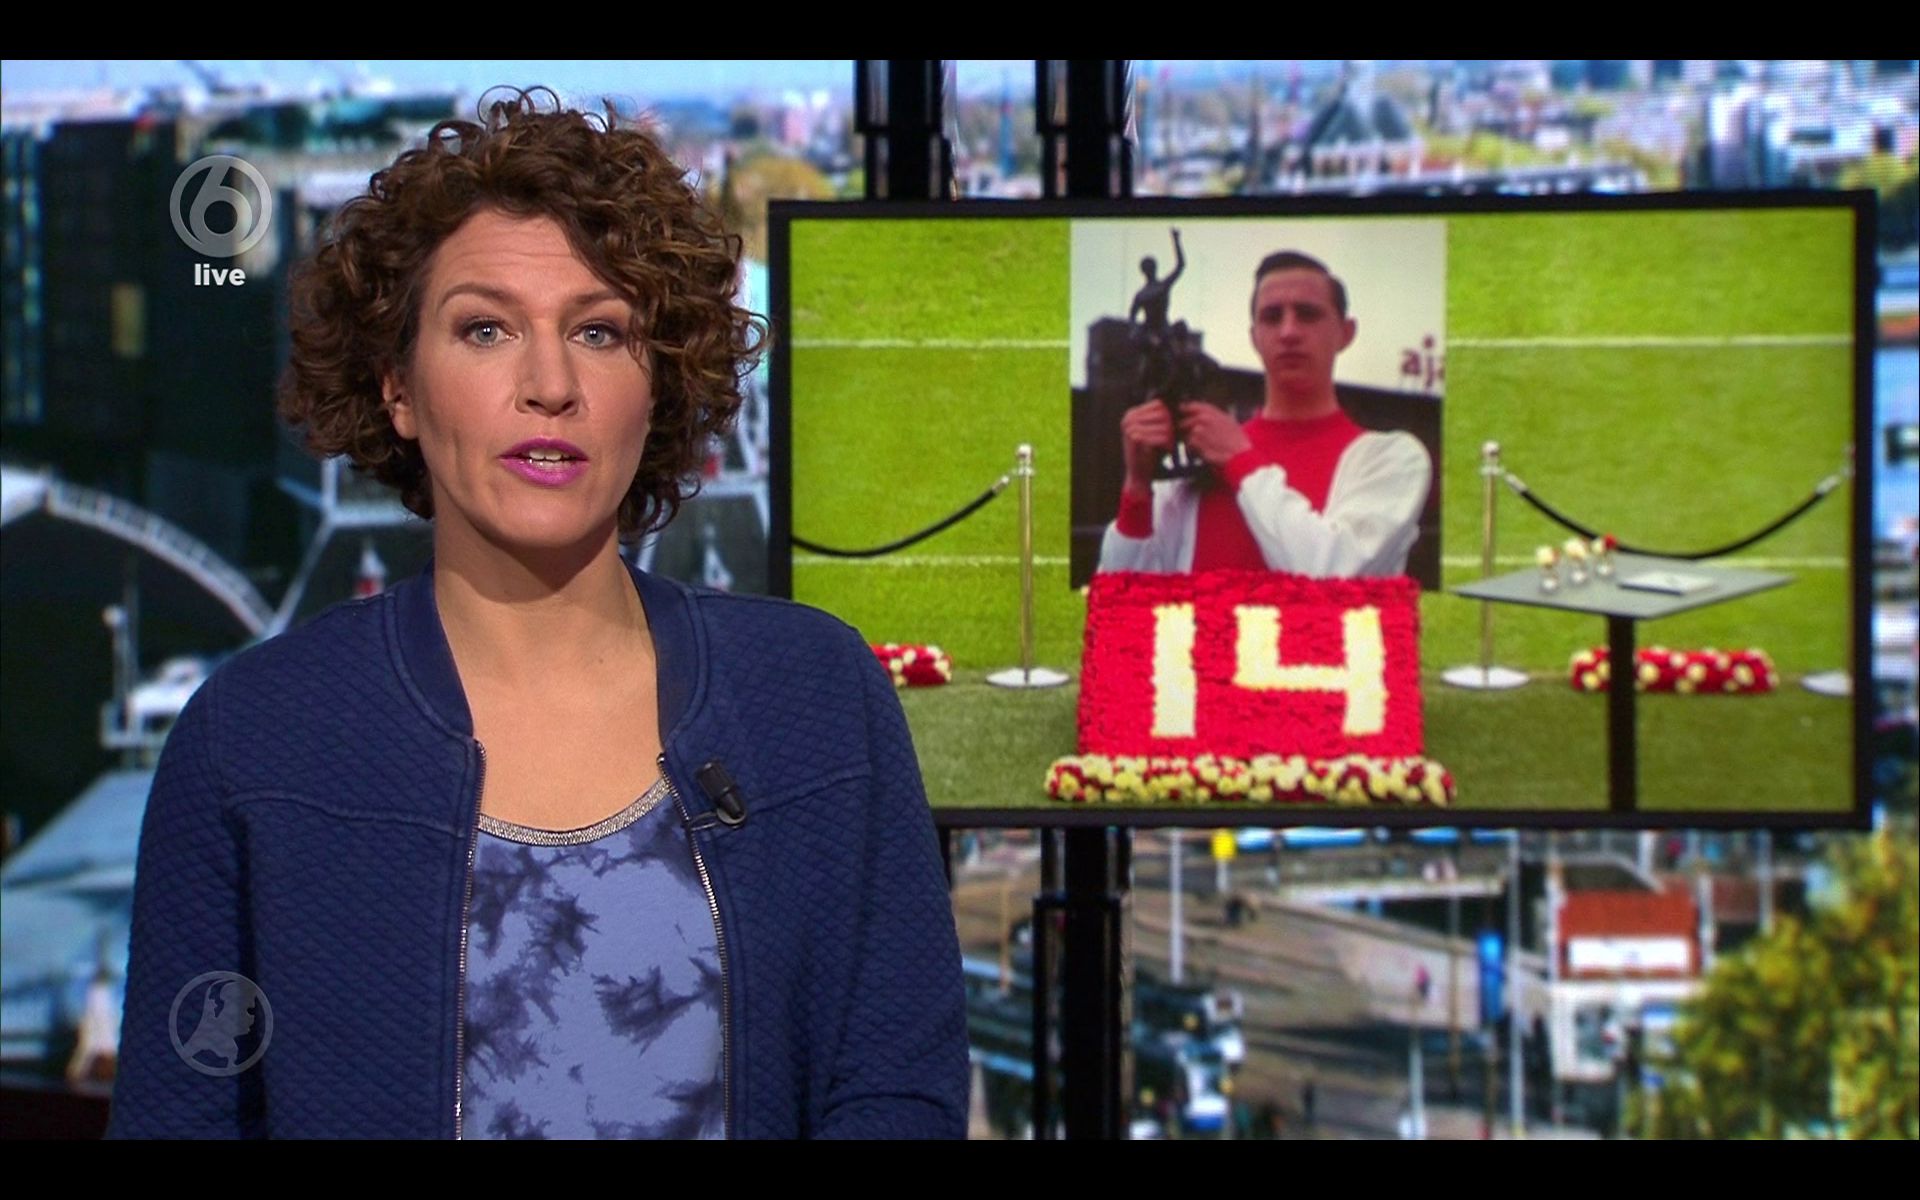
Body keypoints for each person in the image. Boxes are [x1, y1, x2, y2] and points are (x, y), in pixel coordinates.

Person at [106, 89, 966, 1140]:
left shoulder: (817, 701)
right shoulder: (254, 741)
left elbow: (896, 1089)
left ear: (660, 385)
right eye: (485, 329)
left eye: (599, 332)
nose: (549, 383)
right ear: (397, 388)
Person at [1098, 250, 1432, 578]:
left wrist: (1241, 461)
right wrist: (1137, 491)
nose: (1288, 332)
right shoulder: (1196, 462)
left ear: (1346, 333)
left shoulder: (1392, 458)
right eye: (1272, 317)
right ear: (1254, 337)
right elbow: (1124, 598)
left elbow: (1336, 575)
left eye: (1307, 314)